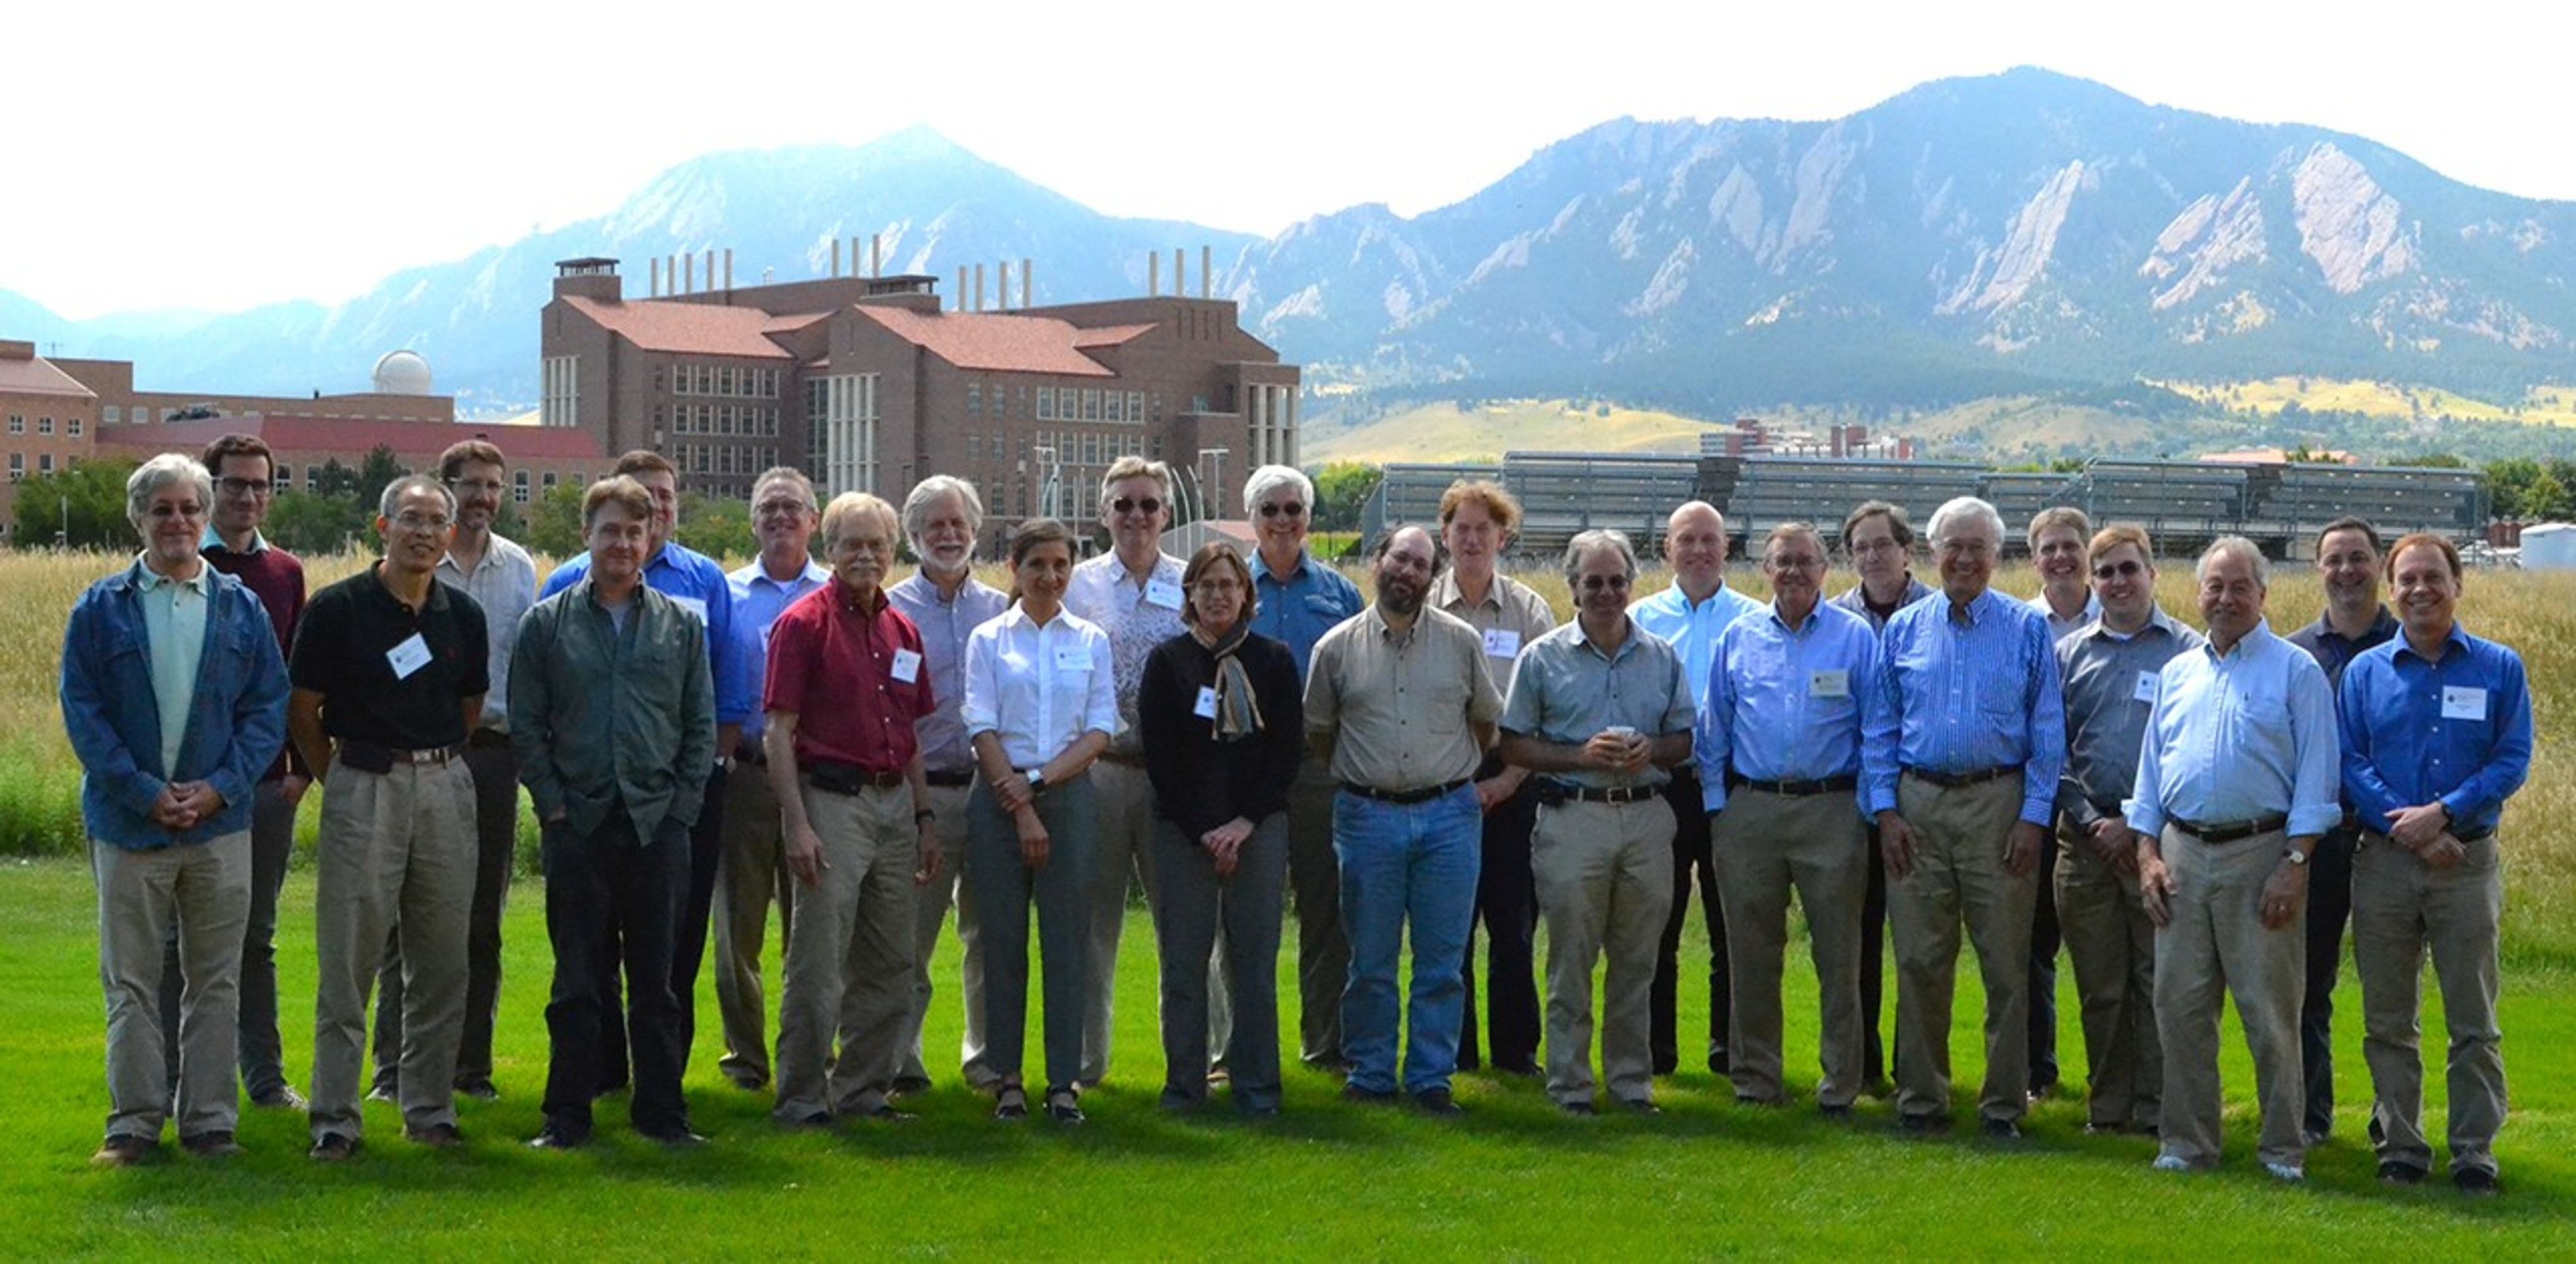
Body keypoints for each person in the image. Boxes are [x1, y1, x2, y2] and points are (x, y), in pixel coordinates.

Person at [66, 455, 289, 1166]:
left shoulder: (241, 607)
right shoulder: (100, 609)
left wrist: (222, 785)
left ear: (205, 515)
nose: (178, 521)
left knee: (214, 978)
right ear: (138, 518)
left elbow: (267, 710)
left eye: (190, 508)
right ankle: (132, 1123)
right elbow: (84, 713)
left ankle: (209, 1122)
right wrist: (142, 790)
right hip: (130, 825)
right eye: (161, 509)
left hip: (219, 827)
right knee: (131, 981)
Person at [288, 475, 488, 1160]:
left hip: (442, 786)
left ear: (450, 533)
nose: (425, 532)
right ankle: (335, 1118)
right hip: (364, 784)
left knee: (441, 961)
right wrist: (341, 780)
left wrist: (427, 765)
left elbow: (468, 709)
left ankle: (428, 1107)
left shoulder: (462, 616)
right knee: (349, 960)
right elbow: (304, 711)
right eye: (411, 518)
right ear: (383, 527)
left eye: (438, 521)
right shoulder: (338, 608)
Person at [512, 477, 716, 1149]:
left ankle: (662, 1115)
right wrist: (554, 808)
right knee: (576, 981)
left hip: (659, 825)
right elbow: (527, 725)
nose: (622, 543)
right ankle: (566, 1115)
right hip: (580, 822)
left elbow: (699, 725)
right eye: (610, 530)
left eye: (635, 530)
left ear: (650, 536)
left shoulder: (681, 623)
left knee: (657, 982)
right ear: (586, 536)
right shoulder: (545, 624)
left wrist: (683, 807)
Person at [2129, 536, 2339, 1181]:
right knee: (2179, 1006)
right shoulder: (2176, 672)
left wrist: (2294, 861)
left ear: (2262, 595)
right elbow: (2148, 776)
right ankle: (2186, 1141)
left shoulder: (2294, 669)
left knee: (2269, 1010)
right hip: (2182, 854)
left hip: (2261, 854)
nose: (2224, 597)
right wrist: (2146, 853)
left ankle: (2281, 1147)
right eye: (2213, 586)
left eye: (2237, 586)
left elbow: (2316, 776)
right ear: (2196, 593)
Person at [541, 450, 750, 1087]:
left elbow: (721, 692)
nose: (651, 513)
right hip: (588, 796)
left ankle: (664, 1084)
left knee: (672, 941)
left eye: (663, 499)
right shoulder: (560, 591)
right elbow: (540, 707)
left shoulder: (704, 580)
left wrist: (693, 790)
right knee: (590, 945)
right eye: (639, 500)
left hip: (678, 794)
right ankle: (601, 1072)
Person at [1862, 495, 2063, 1138]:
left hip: (1997, 805)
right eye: (1953, 544)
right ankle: (1921, 1099)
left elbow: (2047, 731)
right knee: (1920, 958)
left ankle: (2003, 1104)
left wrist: (2033, 817)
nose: (1964, 557)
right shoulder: (1903, 629)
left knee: (2005, 965)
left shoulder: (2026, 629)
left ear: (1995, 556)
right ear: (1931, 551)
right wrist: (1885, 811)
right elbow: (1879, 729)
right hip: (1916, 804)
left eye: (1977, 546)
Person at [2339, 533, 2532, 1194]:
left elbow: (2510, 758)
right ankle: (2400, 1141)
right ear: (2390, 590)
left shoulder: (2498, 667)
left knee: (2471, 1017)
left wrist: (2443, 813)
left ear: (2457, 583)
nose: (2419, 589)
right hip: (2385, 863)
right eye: (2406, 579)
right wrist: (2412, 827)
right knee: (2387, 1016)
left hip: (2465, 862)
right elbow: (2350, 762)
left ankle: (2473, 1147)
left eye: (2432, 577)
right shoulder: (2364, 672)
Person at [1306, 524, 1504, 1115]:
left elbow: (1487, 724)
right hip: (1368, 816)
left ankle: (1430, 1077)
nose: (1408, 572)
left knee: (1442, 962)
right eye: (1400, 559)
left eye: (1421, 564)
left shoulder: (1462, 642)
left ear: (1432, 573)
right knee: (1369, 958)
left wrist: (1449, 774)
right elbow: (1320, 732)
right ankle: (1370, 1071)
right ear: (1378, 561)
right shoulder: (1336, 648)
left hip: (1449, 817)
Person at [762, 492, 940, 1127]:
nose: (866, 555)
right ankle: (803, 1096)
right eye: (853, 544)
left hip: (895, 802)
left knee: (892, 958)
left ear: (894, 551)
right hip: (830, 801)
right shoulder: (803, 624)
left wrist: (923, 816)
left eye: (878, 544)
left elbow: (911, 732)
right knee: (818, 957)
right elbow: (777, 731)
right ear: (828, 549)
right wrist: (797, 825)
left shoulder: (902, 628)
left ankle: (864, 1090)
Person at [369, 439, 538, 1104]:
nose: (484, 498)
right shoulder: (409, 568)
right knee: (400, 917)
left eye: (496, 486)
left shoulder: (518, 568)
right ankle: (394, 1068)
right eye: (471, 485)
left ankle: (469, 1067)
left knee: (480, 918)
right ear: (443, 490)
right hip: (417, 755)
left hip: (492, 754)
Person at [1500, 530, 1692, 1114]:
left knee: (1637, 963)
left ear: (1632, 586)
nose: (1606, 593)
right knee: (1571, 960)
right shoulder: (1542, 657)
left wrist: (1652, 750)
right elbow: (1515, 744)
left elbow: (1685, 738)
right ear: (1573, 587)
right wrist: (1579, 756)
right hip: (1572, 818)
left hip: (1644, 819)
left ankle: (1631, 1083)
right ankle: (1571, 1085)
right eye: (1593, 582)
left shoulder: (1660, 655)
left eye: (1616, 581)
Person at [1700, 524, 1881, 1116]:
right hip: (1751, 809)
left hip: (1833, 809)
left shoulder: (1855, 639)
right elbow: (1715, 729)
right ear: (1765, 569)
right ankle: (1757, 1079)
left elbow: (1876, 729)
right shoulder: (1739, 635)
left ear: (1826, 569)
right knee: (1751, 954)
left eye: (1806, 561)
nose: (1794, 571)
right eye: (1783, 561)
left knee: (1839, 954)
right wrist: (1718, 809)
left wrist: (1865, 810)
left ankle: (1840, 1086)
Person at [152, 434, 307, 1114]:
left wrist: (300, 767)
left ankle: (266, 1079)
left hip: (265, 784)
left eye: (259, 485)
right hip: (181, 789)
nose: (247, 496)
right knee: (173, 941)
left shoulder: (284, 571)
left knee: (256, 937)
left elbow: (295, 680)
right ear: (212, 488)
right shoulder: (184, 554)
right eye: (235, 484)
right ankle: (166, 1077)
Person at [1138, 542, 1303, 1114]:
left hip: (1257, 830)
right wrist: (1207, 828)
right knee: (1183, 963)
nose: (1217, 595)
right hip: (1184, 834)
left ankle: (1257, 1086)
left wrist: (1242, 823)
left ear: (1246, 594)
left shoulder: (1275, 661)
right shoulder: (1167, 663)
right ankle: (1185, 1085)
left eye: (1228, 585)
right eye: (1205, 585)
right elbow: (1161, 761)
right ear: (1188, 595)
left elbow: (1285, 754)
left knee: (1253, 964)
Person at [962, 519, 1116, 1124]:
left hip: (1070, 795)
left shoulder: (1090, 640)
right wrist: (1020, 801)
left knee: (1067, 941)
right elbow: (980, 724)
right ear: (1013, 569)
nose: (1050, 577)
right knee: (1002, 940)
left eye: (1060, 565)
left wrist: (1040, 785)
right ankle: (1007, 1077)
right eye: (1037, 566)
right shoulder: (989, 639)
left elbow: (1100, 728)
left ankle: (1063, 1081)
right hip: (998, 798)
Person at [2052, 526, 2202, 1137]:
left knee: (2156, 979)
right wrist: (2092, 820)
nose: (2117, 581)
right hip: (2082, 842)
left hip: (2156, 844)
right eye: (2105, 571)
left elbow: (2189, 752)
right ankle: (2107, 1106)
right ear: (2091, 581)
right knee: (2099, 984)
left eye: (2128, 569)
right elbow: (2049, 749)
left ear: (2151, 573)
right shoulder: (2066, 654)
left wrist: (2134, 822)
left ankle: (2157, 1104)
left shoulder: (2187, 653)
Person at [1063, 457, 1193, 1087]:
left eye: (1147, 504)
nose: (1135, 516)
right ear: (1103, 512)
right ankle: (1086, 1063)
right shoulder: (1077, 584)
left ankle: (1194, 1062)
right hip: (1099, 770)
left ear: (1166, 513)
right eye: (1123, 504)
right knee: (1092, 926)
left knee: (1185, 923)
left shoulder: (1192, 582)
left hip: (1172, 777)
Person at [889, 475, 1011, 1093]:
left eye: (957, 522)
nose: (947, 534)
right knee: (909, 935)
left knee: (987, 934)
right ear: (912, 535)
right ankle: (899, 1057)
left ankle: (985, 1058)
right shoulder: (889, 611)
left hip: (989, 792)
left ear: (975, 528)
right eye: (934, 524)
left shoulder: (1000, 610)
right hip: (924, 792)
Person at [1429, 480, 1556, 1076]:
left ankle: (1516, 1053)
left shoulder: (1531, 611)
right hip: (1441, 781)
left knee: (1513, 925)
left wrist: (1507, 782)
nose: (1473, 539)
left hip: (1514, 778)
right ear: (1445, 535)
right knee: (1450, 928)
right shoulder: (1423, 603)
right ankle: (1455, 1052)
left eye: (1485, 529)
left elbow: (1549, 713)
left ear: (1503, 537)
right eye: (1462, 528)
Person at [1633, 500, 1763, 1078]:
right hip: (1661, 786)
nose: (1699, 550)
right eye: (1686, 539)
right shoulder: (1639, 618)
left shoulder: (1755, 620)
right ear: (1667, 548)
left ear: (1727, 548)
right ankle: (1655, 1051)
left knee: (1729, 924)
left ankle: (1726, 1047)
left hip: (1730, 787)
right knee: (1656, 923)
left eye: (1710, 539)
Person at [1243, 465, 1366, 1073]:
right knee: (1244, 917)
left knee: (1325, 911)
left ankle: (1326, 1045)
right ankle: (1238, 1048)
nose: (1283, 520)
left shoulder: (1341, 593)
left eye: (1293, 509)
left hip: (1319, 766)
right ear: (1253, 518)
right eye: (1270, 509)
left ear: (1309, 519)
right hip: (1246, 767)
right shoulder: (1228, 583)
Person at [712, 467, 829, 1094]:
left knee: (811, 927)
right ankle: (747, 1058)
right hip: (748, 777)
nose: (780, 517)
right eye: (768, 508)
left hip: (818, 781)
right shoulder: (724, 594)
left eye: (793, 508)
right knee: (738, 928)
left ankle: (807, 1051)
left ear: (814, 519)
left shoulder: (838, 594)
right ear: (752, 520)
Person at [2283, 515, 2397, 1145]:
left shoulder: (2410, 643)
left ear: (2378, 563)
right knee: (2307, 985)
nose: (2346, 570)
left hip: (2387, 841)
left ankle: (2391, 1120)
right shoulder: (2296, 652)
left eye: (2358, 557)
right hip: (2318, 843)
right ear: (2316, 568)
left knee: (2388, 991)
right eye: (2333, 559)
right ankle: (2309, 1117)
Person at [1831, 500, 1934, 1096]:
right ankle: (1864, 1067)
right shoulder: (1836, 619)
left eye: (1882, 544)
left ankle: (1915, 1069)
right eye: (1860, 547)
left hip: (1917, 804)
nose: (1872, 555)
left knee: (1919, 943)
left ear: (1907, 550)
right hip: (1851, 805)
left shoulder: (1936, 614)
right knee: (1858, 939)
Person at [2021, 506, 2096, 1100]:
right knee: (2033, 941)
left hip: (2108, 813)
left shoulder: (2125, 611)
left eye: (2070, 545)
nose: (2060, 557)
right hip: (2038, 808)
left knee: (2108, 953)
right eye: (2048, 548)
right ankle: (2038, 1069)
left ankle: (2120, 1079)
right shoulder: (2019, 625)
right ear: (2033, 558)